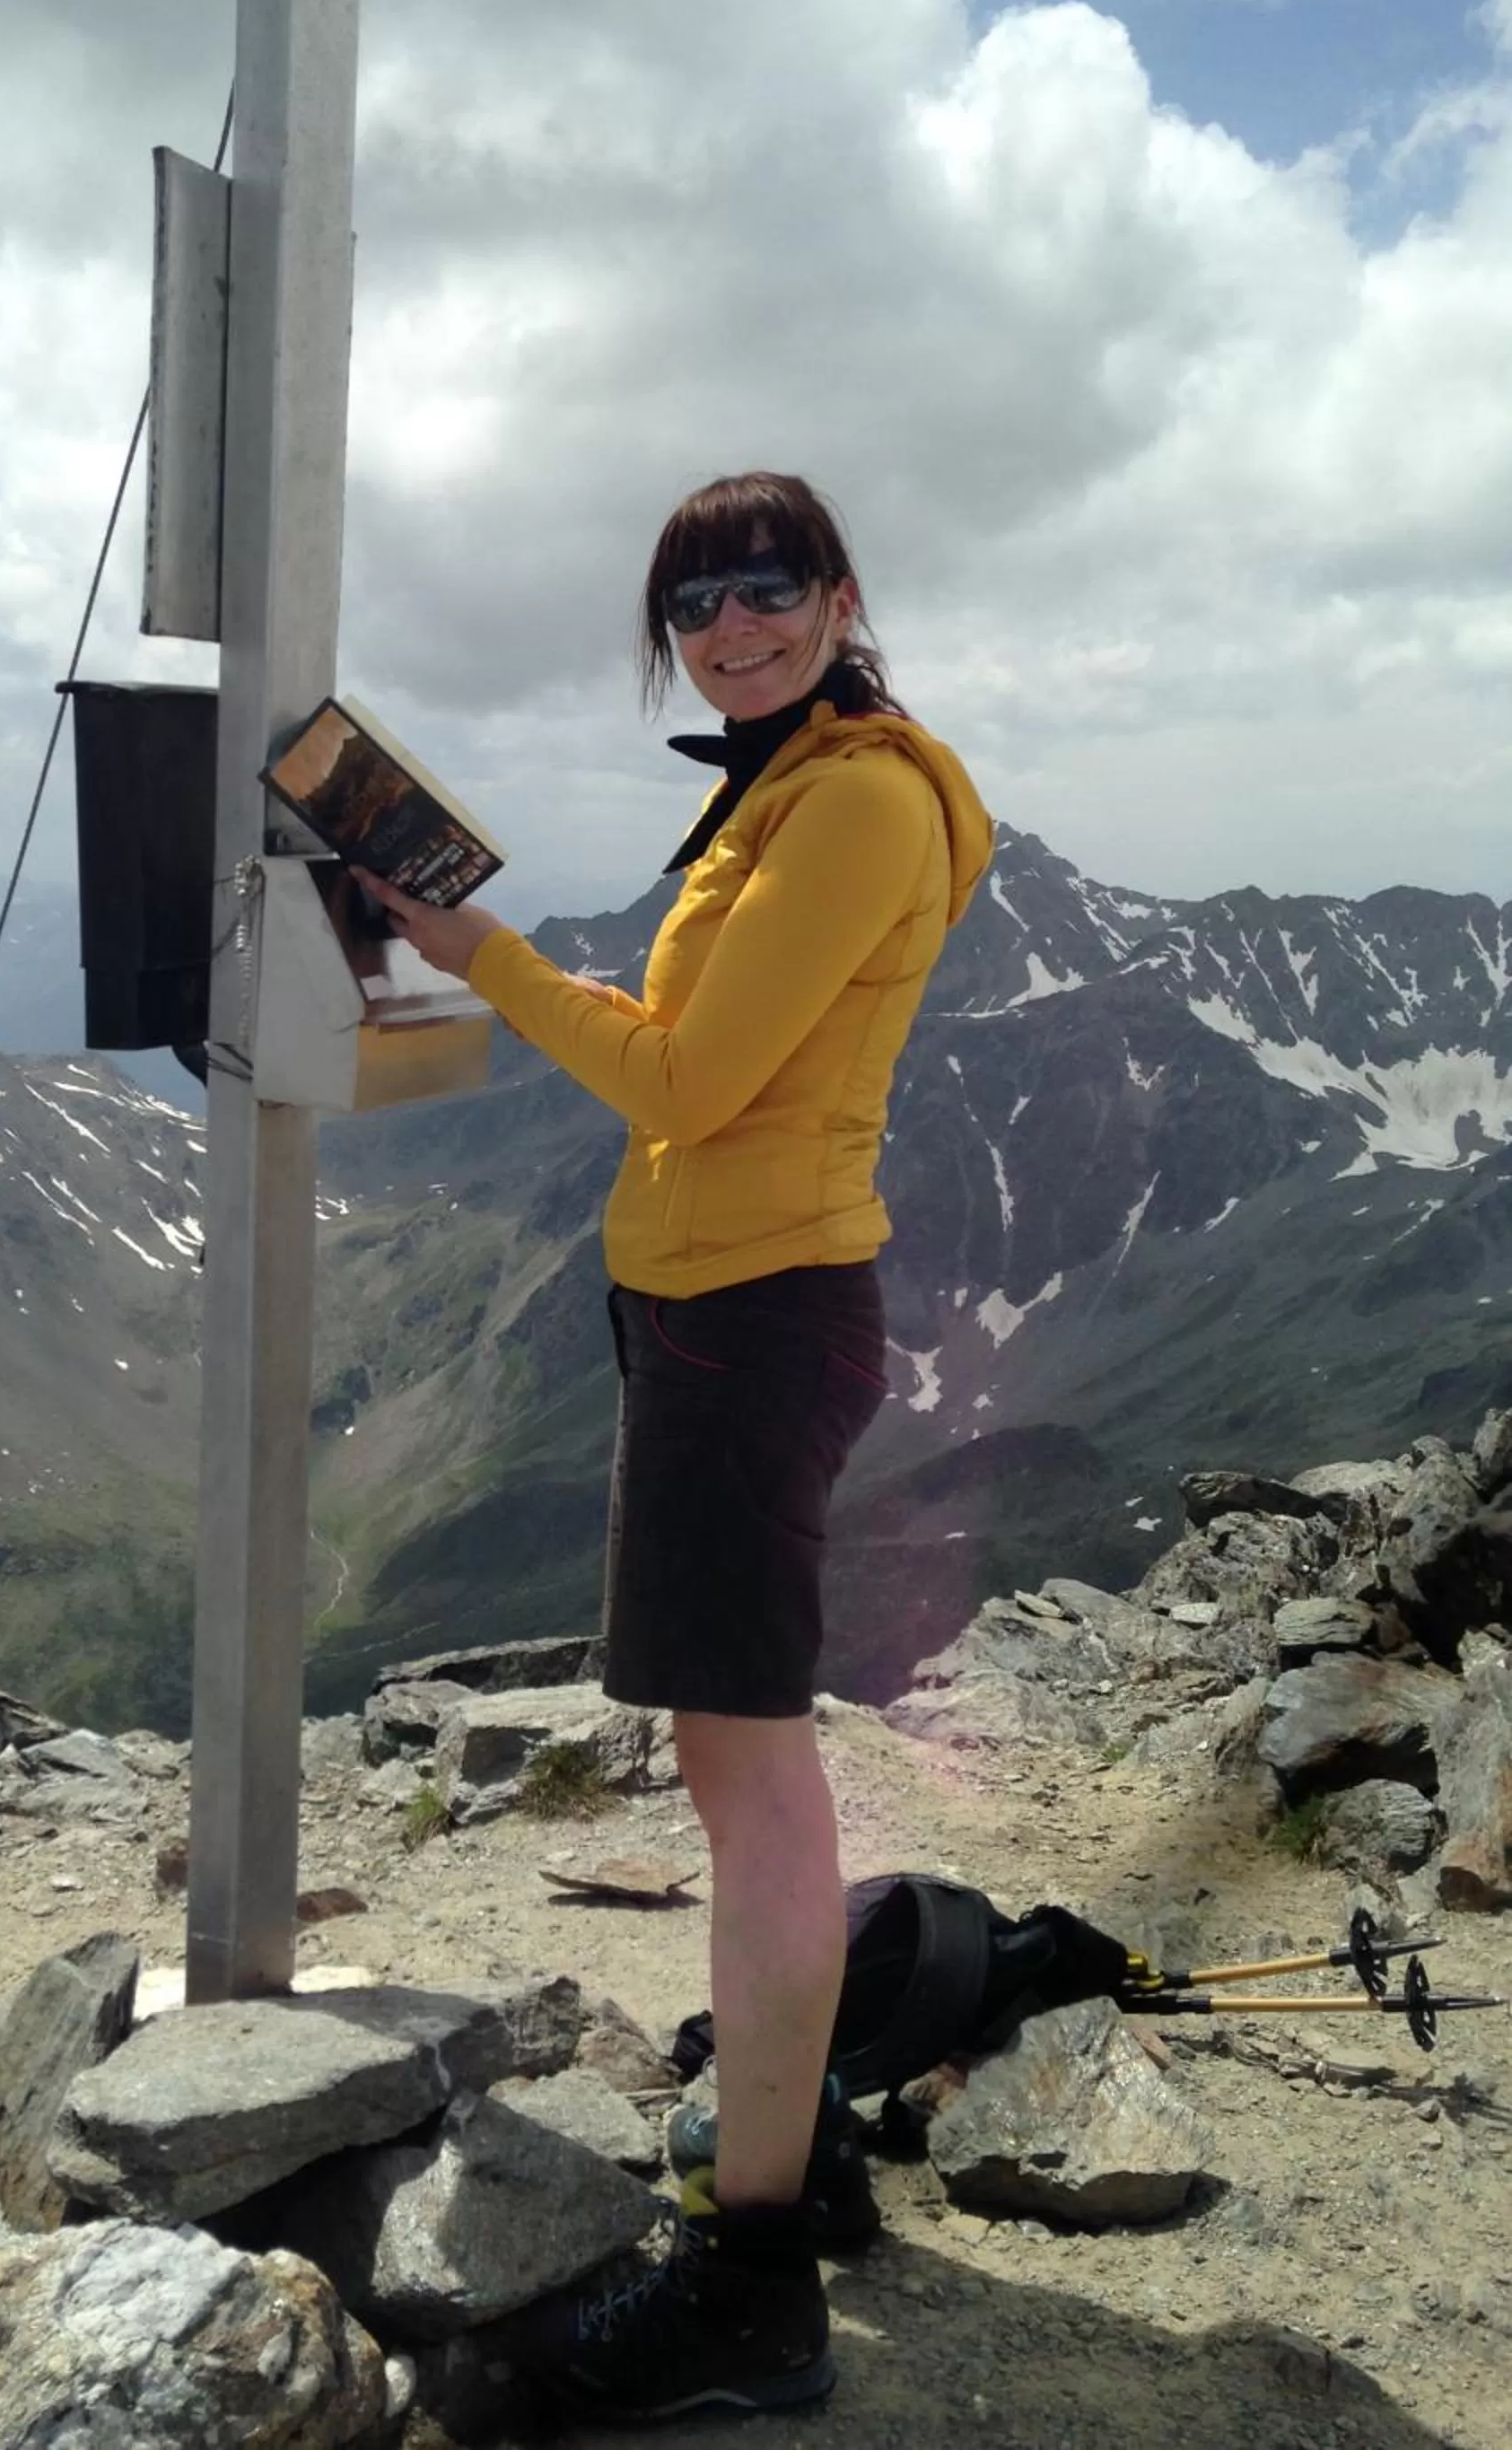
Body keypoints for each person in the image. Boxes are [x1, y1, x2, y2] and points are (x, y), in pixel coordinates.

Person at [360, 469, 992, 2424]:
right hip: (723, 1309)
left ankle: (754, 2272)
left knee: (756, 1786)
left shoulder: (857, 797)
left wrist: (488, 964)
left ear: (837, 594)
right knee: (751, 1779)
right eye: (696, 599)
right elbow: (723, 1034)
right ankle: (797, 2133)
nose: (730, 623)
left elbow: (695, 1085)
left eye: (765, 587)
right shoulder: (798, 784)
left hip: (749, 1321)